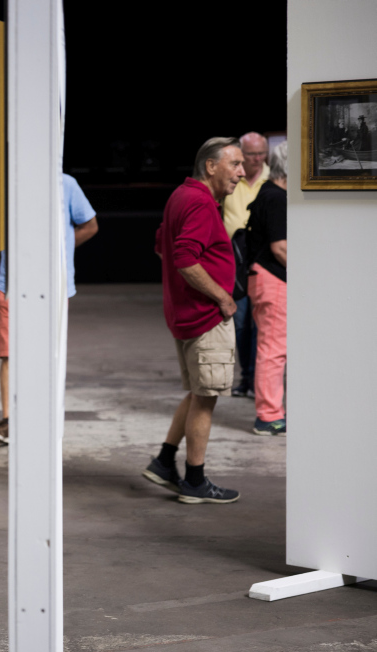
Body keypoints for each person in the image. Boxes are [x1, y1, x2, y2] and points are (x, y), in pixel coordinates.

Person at [143, 137, 244, 504]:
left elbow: (161, 245)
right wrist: (222, 297)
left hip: (185, 314)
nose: (241, 172)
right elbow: (184, 258)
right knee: (206, 398)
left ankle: (165, 463)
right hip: (204, 318)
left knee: (197, 392)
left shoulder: (180, 196)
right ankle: (195, 483)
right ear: (211, 166)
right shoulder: (201, 203)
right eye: (234, 164)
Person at [0, 175, 97, 445]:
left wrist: (63, 248)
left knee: (48, 356)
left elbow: (90, 225)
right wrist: (9, 190)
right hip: (10, 283)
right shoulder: (6, 184)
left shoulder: (65, 183)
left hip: (52, 285)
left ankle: (42, 418)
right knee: (10, 356)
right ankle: (9, 421)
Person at [246, 141, 288, 436]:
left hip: (264, 278)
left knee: (271, 347)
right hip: (272, 279)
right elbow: (280, 247)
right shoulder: (277, 197)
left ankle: (271, 411)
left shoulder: (268, 192)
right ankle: (269, 415)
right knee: (273, 349)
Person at [223, 132, 270, 398]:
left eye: (261, 153)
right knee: (240, 322)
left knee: (260, 323)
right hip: (234, 261)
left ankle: (254, 379)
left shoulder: (273, 180)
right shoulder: (232, 177)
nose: (256, 159)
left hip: (262, 258)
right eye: (251, 154)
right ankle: (246, 376)